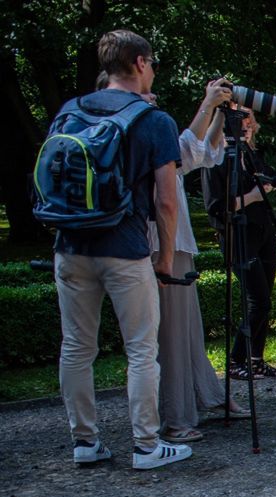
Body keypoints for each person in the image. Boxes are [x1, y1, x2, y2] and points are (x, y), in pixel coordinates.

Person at [53, 30, 191, 470]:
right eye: (151, 63)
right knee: (140, 350)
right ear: (138, 62)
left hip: (70, 246)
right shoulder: (153, 121)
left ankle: (85, 442)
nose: (152, 71)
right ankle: (147, 446)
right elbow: (166, 201)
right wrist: (165, 259)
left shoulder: (70, 111)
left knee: (76, 347)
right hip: (124, 248)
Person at [143, 77, 240, 442]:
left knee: (188, 330)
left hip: (175, 241)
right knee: (171, 334)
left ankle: (204, 395)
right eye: (146, 92)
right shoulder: (143, 133)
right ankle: (176, 416)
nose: (153, 96)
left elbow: (200, 153)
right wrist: (207, 105)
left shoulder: (150, 133)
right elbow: (186, 150)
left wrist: (217, 114)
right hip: (159, 242)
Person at [204, 104, 276, 379]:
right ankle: (236, 359)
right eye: (241, 123)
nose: (246, 128)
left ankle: (256, 358)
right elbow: (216, 207)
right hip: (238, 236)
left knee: (265, 299)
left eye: (249, 123)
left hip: (262, 232)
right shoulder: (217, 161)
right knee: (257, 300)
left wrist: (266, 184)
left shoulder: (253, 156)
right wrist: (253, 196)